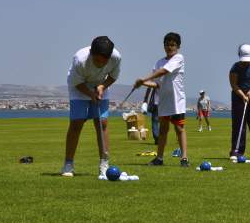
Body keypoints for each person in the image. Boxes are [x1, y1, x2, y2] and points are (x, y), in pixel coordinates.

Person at [60, 36, 121, 177]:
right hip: (79, 86)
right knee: (76, 123)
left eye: (103, 61)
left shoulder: (116, 57)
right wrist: (90, 94)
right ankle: (68, 164)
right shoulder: (80, 59)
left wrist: (102, 87)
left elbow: (113, 76)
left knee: (102, 122)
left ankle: (104, 163)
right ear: (91, 53)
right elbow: (77, 82)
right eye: (97, 60)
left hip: (100, 84)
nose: (100, 64)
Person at [134, 32, 189, 167]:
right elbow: (157, 84)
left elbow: (164, 71)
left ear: (178, 46)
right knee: (163, 130)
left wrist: (145, 78)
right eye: (167, 45)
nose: (170, 47)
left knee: (179, 129)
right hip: (163, 102)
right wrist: (142, 83)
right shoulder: (159, 62)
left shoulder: (179, 58)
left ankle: (184, 158)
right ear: (164, 46)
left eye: (173, 45)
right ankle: (159, 158)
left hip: (177, 102)